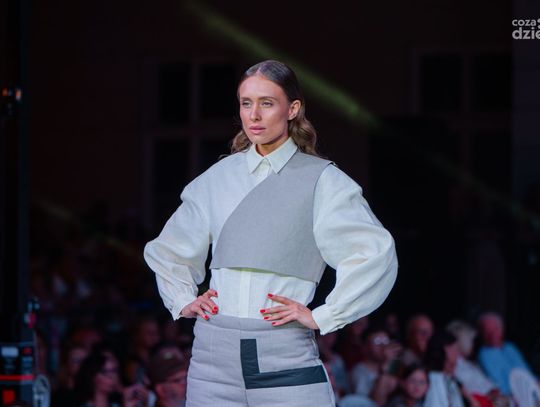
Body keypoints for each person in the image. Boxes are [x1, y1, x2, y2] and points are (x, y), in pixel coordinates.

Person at [144, 59, 398, 406]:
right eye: (246, 103)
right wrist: (181, 298)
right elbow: (170, 248)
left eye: (267, 103)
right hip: (212, 359)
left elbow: (374, 252)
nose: (254, 115)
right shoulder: (219, 178)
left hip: (284, 354)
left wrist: (324, 315)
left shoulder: (322, 181)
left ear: (292, 109)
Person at [476, 311, 535, 396]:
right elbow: (502, 387)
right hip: (517, 395)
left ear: (502, 330)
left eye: (496, 329)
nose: (492, 334)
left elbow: (527, 372)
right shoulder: (485, 355)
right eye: (487, 331)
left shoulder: (510, 348)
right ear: (481, 334)